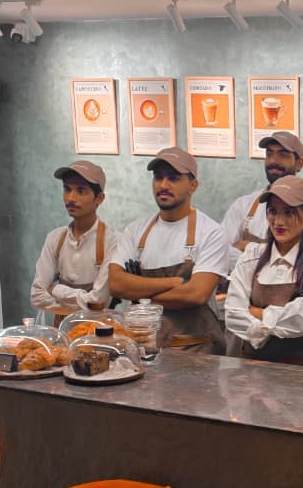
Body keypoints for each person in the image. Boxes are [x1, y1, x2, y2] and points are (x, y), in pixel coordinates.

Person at [108, 147, 229, 353]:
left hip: (197, 351)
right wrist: (172, 283)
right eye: (158, 177)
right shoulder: (134, 231)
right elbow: (116, 284)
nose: (163, 185)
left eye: (173, 178)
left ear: (193, 185)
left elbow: (196, 294)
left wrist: (139, 294)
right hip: (143, 347)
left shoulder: (211, 232)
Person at [225, 175, 303, 367]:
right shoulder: (252, 255)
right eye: (272, 211)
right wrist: (269, 324)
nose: (278, 221)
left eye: (288, 212)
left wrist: (256, 313)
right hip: (253, 371)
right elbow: (233, 313)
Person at [30, 160, 121, 324]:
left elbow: (99, 301)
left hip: (99, 333)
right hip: (60, 331)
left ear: (99, 198)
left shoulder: (113, 241)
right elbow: (37, 296)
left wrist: (55, 289)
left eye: (81, 191)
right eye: (67, 189)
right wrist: (84, 303)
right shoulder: (55, 238)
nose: (71, 198)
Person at [219, 131, 303, 271]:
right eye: (269, 154)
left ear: (299, 163)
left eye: (283, 154)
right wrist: (267, 257)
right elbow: (221, 253)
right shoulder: (242, 205)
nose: (273, 161)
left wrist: (246, 246)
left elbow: (297, 259)